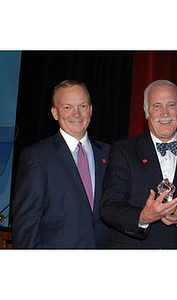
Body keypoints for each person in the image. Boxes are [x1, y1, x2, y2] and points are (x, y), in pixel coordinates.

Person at [100, 79, 177, 249]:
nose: (164, 113)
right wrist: (143, 217)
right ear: (146, 111)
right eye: (157, 106)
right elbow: (108, 208)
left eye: (171, 105)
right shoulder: (123, 151)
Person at [12, 79, 110, 249]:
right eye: (67, 107)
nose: (77, 114)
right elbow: (26, 226)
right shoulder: (36, 157)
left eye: (83, 106)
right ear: (55, 113)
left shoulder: (110, 154)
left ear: (91, 109)